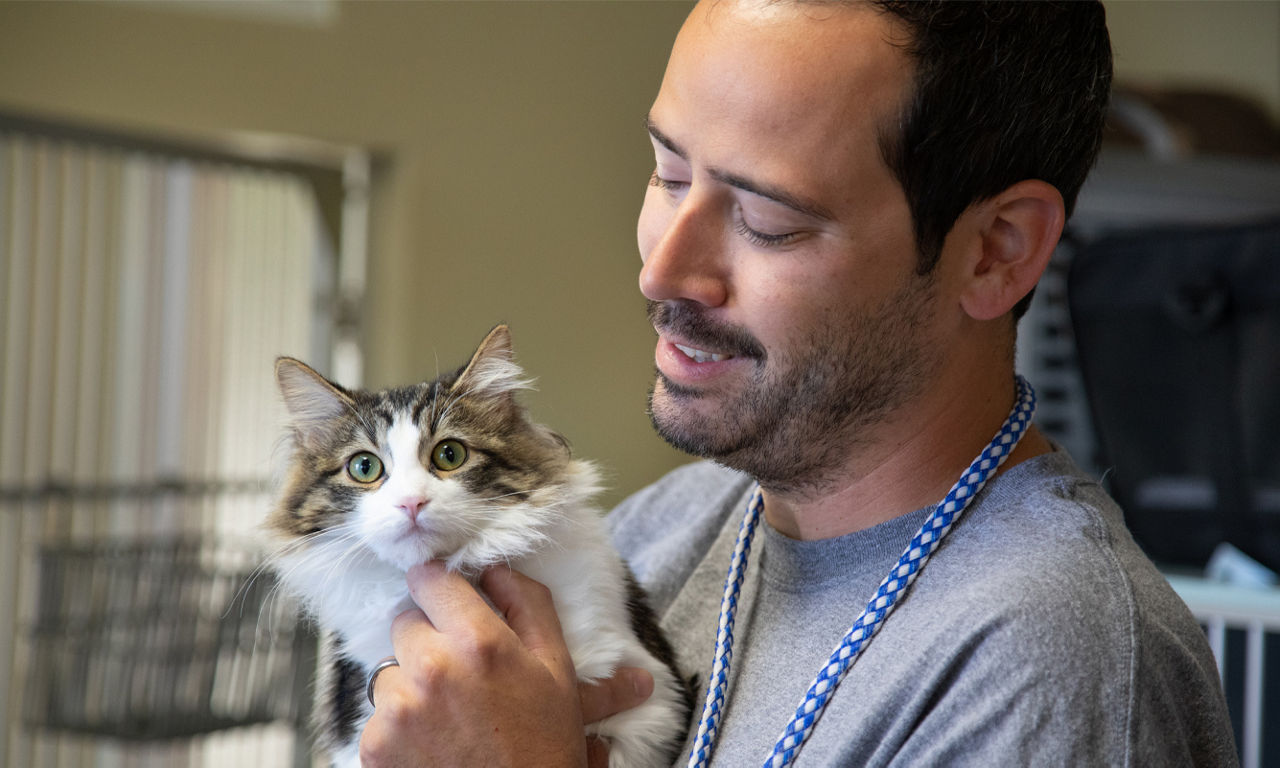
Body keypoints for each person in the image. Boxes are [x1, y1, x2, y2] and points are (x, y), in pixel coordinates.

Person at [360, 1, 1238, 766]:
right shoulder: (668, 528)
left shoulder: (1055, 662)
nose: (663, 273)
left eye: (768, 221)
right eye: (668, 175)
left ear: (996, 249)